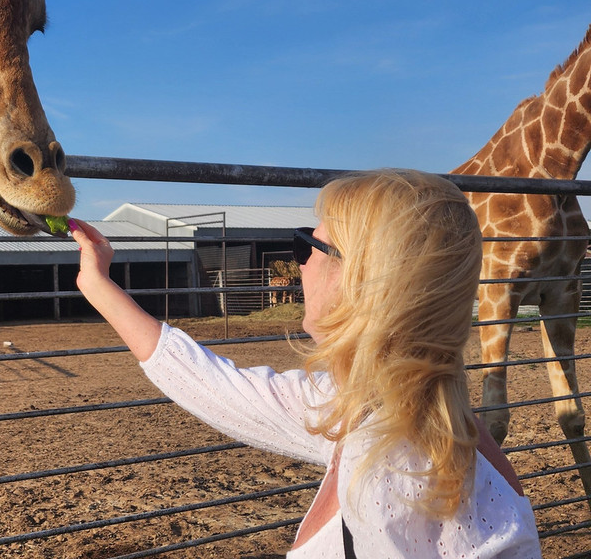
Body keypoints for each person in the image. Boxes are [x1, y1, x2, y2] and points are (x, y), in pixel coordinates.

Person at [69, 169, 541, 558]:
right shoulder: (369, 410)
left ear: (366, 279)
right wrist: (98, 285)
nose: (298, 263)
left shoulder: (396, 475)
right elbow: (215, 386)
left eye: (306, 245)